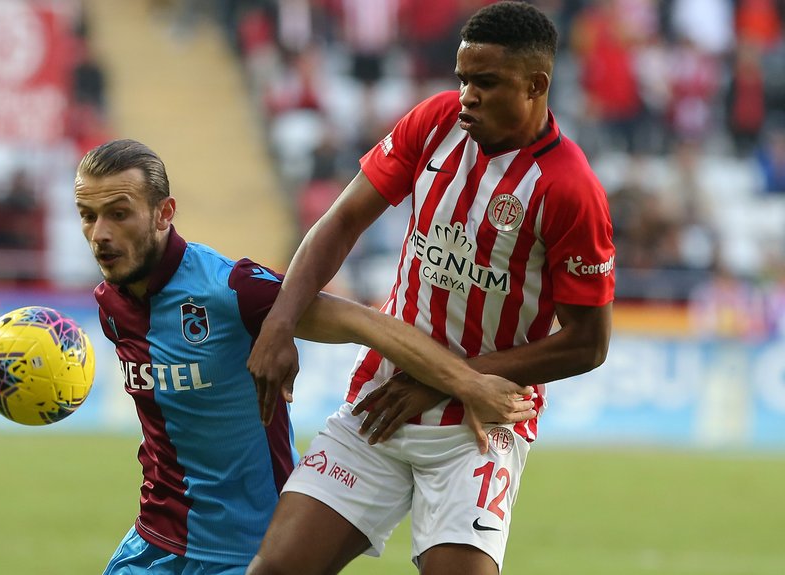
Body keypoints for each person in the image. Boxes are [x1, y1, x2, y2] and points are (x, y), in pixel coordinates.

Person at [246, 2, 615, 574]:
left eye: (486, 83)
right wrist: (279, 324)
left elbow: (588, 343)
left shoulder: (570, 189)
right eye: (464, 78)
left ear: (536, 84)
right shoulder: (436, 121)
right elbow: (341, 221)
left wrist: (449, 384)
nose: (467, 94)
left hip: (477, 427)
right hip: (382, 399)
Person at [75, 138, 537, 575]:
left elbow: (366, 322)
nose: (100, 235)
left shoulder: (230, 289)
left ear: (163, 214)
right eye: (88, 216)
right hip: (154, 540)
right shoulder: (111, 306)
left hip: (248, 551)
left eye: (118, 214)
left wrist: (466, 382)